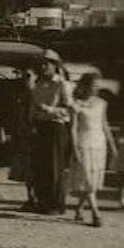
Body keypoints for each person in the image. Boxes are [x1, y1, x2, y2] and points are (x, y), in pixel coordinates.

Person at [29, 58, 76, 215]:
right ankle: (43, 202)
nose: (43, 67)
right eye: (41, 64)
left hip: (56, 127)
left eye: (47, 64)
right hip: (40, 127)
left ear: (55, 66)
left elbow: (69, 109)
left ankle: (56, 204)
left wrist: (49, 110)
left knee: (55, 166)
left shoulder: (62, 84)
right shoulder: (38, 84)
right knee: (42, 166)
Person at [70, 73, 116, 227]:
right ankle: (96, 214)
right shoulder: (76, 104)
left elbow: (105, 125)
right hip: (84, 143)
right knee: (87, 179)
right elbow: (73, 129)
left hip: (99, 144)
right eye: (92, 84)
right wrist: (75, 148)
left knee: (93, 181)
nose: (95, 88)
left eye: (97, 85)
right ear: (84, 86)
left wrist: (112, 146)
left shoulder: (102, 103)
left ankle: (79, 208)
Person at [9, 67, 38, 211]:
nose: (25, 79)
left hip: (35, 136)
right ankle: (31, 198)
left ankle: (36, 198)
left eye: (28, 76)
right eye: (24, 76)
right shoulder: (22, 95)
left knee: (35, 169)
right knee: (27, 170)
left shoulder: (37, 94)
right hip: (23, 135)